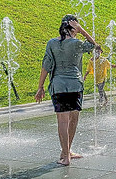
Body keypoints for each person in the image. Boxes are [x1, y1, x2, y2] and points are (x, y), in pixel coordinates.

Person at [36, 14, 97, 166]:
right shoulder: (77, 43)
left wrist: (40, 87)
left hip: (59, 86)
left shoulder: (52, 43)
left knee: (62, 120)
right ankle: (66, 152)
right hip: (75, 85)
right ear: (74, 27)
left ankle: (66, 154)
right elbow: (93, 45)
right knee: (73, 118)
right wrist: (82, 30)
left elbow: (46, 66)